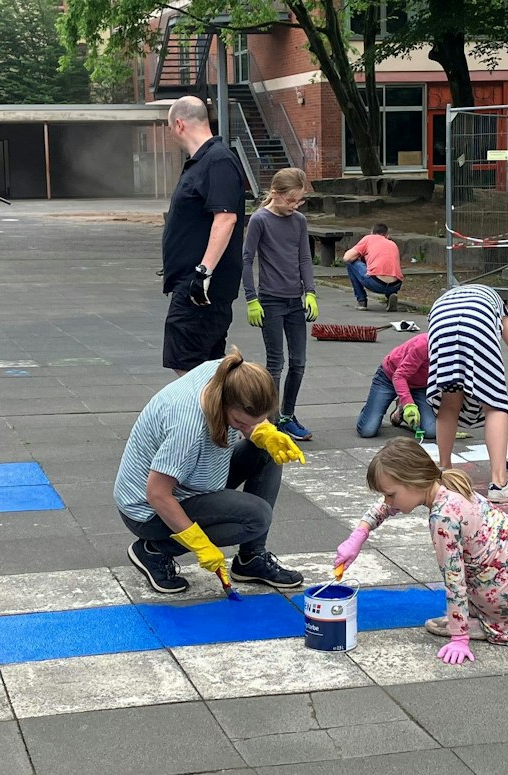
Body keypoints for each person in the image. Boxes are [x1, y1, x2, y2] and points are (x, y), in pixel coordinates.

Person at [333, 437, 508, 664]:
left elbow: (455, 581)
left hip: (503, 590)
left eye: (390, 495)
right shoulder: (449, 484)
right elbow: (388, 504)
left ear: (414, 481)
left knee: (465, 608)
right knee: (489, 564)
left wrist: (459, 636)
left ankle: (499, 621)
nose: (387, 502)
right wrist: (359, 534)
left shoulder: (443, 518)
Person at [115, 350, 307, 596]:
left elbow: (251, 420)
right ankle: (154, 550)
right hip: (147, 510)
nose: (248, 429)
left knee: (267, 451)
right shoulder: (188, 428)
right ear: (225, 403)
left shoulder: (229, 373)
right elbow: (157, 494)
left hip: (193, 477)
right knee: (257, 517)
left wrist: (265, 432)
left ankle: (251, 559)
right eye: (241, 423)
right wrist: (200, 545)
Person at [427, 283, 508, 503]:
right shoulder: (495, 302)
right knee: (495, 405)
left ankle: (445, 474)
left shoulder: (447, 299)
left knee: (449, 402)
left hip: (439, 321)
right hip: (476, 323)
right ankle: (500, 484)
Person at [159, 95, 245, 376]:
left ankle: (211, 407)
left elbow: (226, 218)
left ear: (179, 124)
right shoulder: (202, 162)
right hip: (195, 285)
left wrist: (203, 273)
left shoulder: (218, 161)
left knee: (185, 366)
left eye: (171, 128)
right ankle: (217, 407)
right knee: (205, 370)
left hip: (200, 289)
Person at [242, 167, 318, 442]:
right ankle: (271, 420)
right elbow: (247, 259)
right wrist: (251, 299)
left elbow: (304, 258)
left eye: (300, 201)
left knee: (299, 362)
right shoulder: (260, 220)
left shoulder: (298, 221)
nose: (296, 205)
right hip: (271, 301)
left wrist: (310, 292)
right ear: (275, 193)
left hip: (294, 301)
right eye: (292, 200)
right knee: (276, 364)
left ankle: (288, 415)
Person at [355, 332, 436, 439]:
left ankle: (401, 411)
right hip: (389, 377)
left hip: (419, 385)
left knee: (431, 431)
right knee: (367, 430)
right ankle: (371, 409)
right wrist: (409, 405)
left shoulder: (455, 352)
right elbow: (399, 376)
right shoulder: (423, 345)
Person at [342, 222, 404, 310]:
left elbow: (347, 257)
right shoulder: (392, 244)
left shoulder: (369, 238)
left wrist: (360, 255)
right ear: (387, 235)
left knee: (350, 262)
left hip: (376, 283)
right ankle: (390, 296)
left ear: (371, 232)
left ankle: (361, 301)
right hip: (395, 285)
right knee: (388, 267)